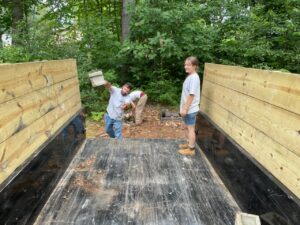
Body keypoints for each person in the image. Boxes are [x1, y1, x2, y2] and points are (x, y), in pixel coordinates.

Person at [178, 56, 201, 156]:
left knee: (191, 128)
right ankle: (188, 144)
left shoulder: (194, 78)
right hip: (188, 109)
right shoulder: (190, 76)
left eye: (188, 65)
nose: (185, 67)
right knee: (187, 127)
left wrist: (185, 108)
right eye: (185, 64)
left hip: (190, 109)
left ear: (194, 66)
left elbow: (192, 95)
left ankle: (191, 149)